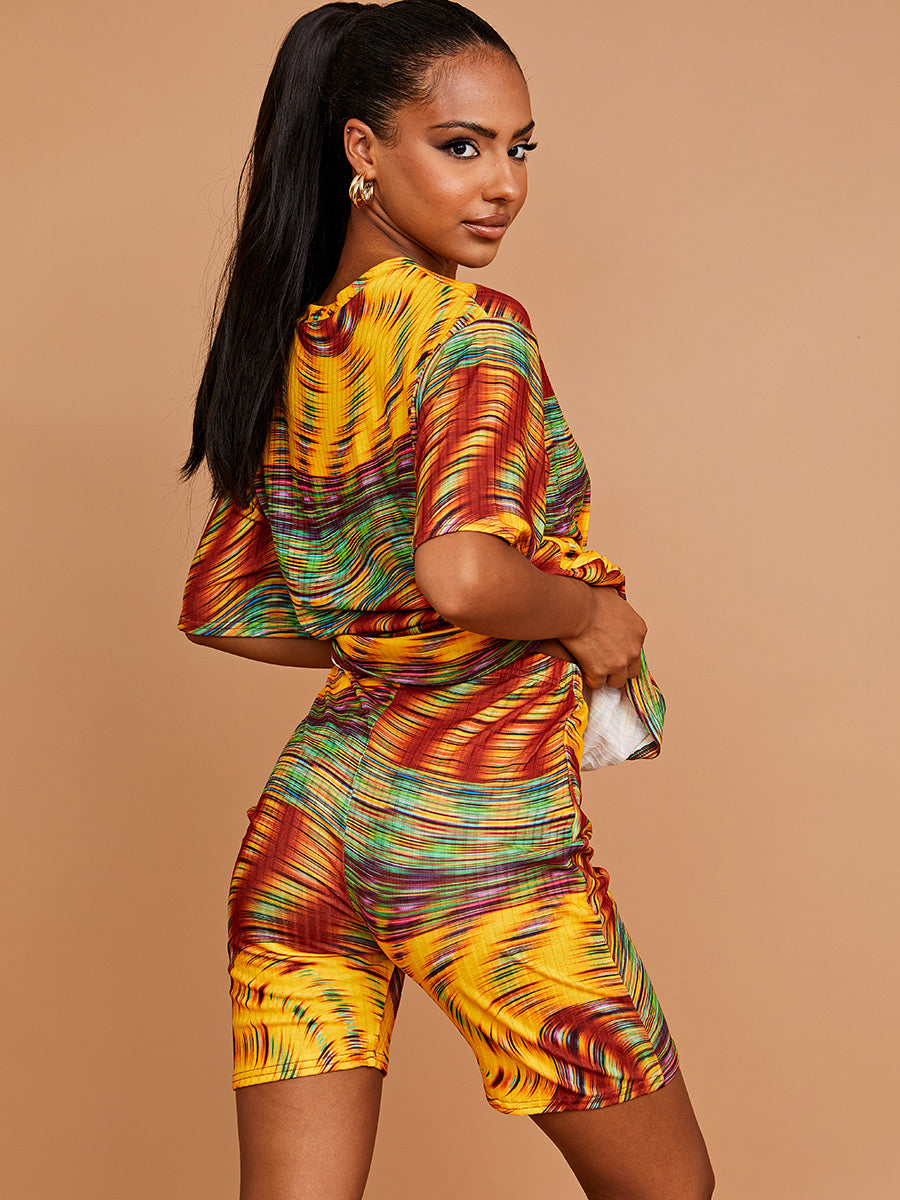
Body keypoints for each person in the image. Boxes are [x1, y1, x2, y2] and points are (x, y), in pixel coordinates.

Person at [178, 3, 715, 1197]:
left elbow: (226, 609)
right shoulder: (475, 338)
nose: (502, 184)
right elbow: (463, 574)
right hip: (473, 835)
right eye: (460, 145)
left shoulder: (296, 342)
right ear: (363, 149)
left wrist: (392, 643)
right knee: (668, 1190)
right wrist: (586, 615)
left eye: (518, 149)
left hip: (311, 827)